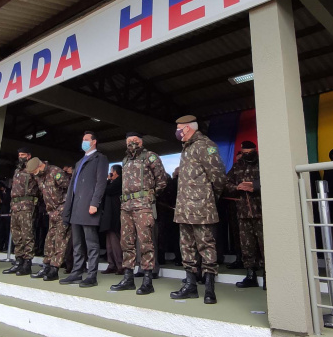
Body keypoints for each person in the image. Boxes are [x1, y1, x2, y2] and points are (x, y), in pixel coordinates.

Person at [170, 115, 226, 305]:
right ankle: (191, 286)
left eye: (179, 128)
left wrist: (210, 198)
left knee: (206, 246)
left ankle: (209, 289)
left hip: (202, 207)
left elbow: (218, 176)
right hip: (184, 208)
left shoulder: (205, 145)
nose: (177, 132)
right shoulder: (186, 148)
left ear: (187, 128)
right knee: (186, 247)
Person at [111, 132, 169, 295]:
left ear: (142, 142)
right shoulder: (125, 160)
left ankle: (147, 280)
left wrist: (149, 196)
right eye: (129, 141)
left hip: (143, 205)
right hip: (126, 206)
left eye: (135, 140)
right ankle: (128, 278)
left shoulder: (150, 157)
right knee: (126, 242)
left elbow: (162, 180)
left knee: (146, 242)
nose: (132, 143)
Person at [61, 132, 108, 288]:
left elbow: (101, 183)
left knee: (91, 243)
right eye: (83, 140)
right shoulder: (80, 161)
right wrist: (68, 208)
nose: (84, 142)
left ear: (94, 142)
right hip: (76, 207)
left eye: (86, 140)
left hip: (89, 207)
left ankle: (92, 275)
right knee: (77, 244)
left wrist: (95, 203)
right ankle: (76, 272)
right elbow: (71, 188)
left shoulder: (99, 158)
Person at [224, 141, 265, 290]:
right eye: (244, 152)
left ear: (255, 150)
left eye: (250, 152)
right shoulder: (237, 166)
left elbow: (273, 179)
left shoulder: (263, 162)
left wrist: (255, 186)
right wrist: (237, 187)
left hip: (261, 211)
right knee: (247, 246)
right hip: (243, 212)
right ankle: (250, 275)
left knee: (265, 245)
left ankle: (269, 276)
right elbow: (225, 183)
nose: (247, 155)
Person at [27, 158, 70, 282]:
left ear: (40, 166)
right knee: (49, 240)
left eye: (35, 171)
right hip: (52, 213)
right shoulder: (40, 177)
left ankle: (54, 269)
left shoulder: (56, 172)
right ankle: (46, 266)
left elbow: (70, 189)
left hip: (62, 212)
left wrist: (62, 208)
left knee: (60, 240)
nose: (34, 174)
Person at [4, 147, 40, 276]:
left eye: (23, 154)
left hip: (27, 206)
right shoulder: (17, 170)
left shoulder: (32, 170)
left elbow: (40, 186)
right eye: (19, 154)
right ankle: (18, 261)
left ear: (29, 156)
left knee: (27, 235)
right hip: (15, 206)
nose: (21, 157)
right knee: (16, 235)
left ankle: (27, 264)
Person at [99, 165, 123, 275]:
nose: (110, 173)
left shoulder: (119, 181)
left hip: (115, 215)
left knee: (115, 242)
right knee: (109, 243)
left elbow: (108, 191)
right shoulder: (112, 182)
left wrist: (107, 181)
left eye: (111, 171)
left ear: (116, 172)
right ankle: (111, 264)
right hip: (108, 216)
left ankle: (120, 265)